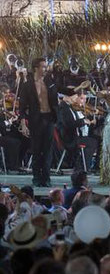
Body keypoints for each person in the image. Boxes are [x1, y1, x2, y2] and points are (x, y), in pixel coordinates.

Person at [18, 58, 59, 187]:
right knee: (36, 150)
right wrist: (24, 124)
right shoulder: (27, 85)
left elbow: (57, 97)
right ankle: (36, 177)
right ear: (36, 68)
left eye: (46, 67)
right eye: (43, 67)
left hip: (49, 119)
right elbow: (22, 107)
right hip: (36, 120)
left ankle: (46, 178)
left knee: (48, 150)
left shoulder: (49, 82)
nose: (45, 69)